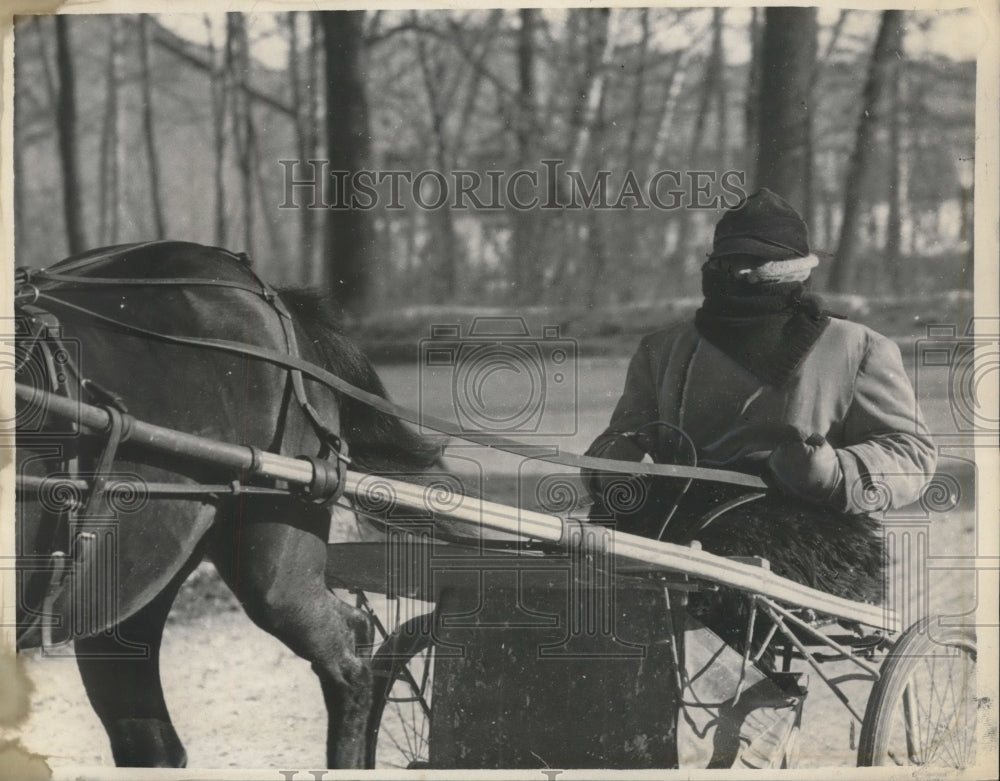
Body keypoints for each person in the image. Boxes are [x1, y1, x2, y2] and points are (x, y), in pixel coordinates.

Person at [584, 188, 937, 652]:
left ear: (789, 270)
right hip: (681, 513)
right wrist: (614, 462)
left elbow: (912, 454)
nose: (739, 275)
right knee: (592, 556)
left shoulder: (857, 348)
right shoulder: (664, 350)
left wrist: (833, 473)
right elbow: (619, 436)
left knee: (717, 563)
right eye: (728, 262)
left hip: (806, 527)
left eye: (753, 263)